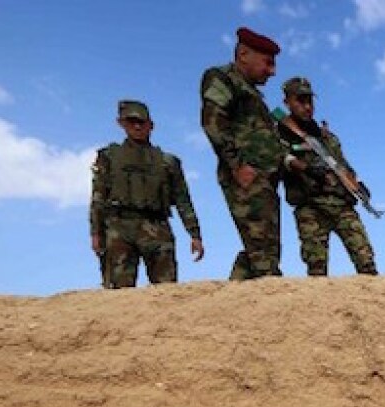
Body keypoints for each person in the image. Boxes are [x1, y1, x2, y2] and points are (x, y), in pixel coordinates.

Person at [200, 27, 290, 281]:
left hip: (264, 180)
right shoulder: (222, 78)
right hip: (246, 177)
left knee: (262, 251)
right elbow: (212, 122)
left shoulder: (253, 95)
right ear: (243, 54)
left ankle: (234, 304)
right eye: (268, 63)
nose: (272, 71)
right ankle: (270, 307)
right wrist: (236, 165)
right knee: (263, 254)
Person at [89, 100, 204, 288]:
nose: (137, 126)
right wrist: (96, 233)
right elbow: (98, 197)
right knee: (119, 293)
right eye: (131, 121)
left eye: (141, 122)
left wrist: (195, 234)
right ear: (121, 123)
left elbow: (183, 200)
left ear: (151, 126)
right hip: (119, 228)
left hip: (157, 228)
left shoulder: (168, 162)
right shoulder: (108, 157)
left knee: (166, 291)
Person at [276, 77, 377, 276]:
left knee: (366, 262)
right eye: (300, 101)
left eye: (309, 101)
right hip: (310, 206)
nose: (307, 107)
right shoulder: (280, 132)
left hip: (340, 204)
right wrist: (305, 168)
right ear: (287, 102)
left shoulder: (327, 137)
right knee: (317, 269)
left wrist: (358, 184)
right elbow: (279, 157)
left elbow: (343, 164)